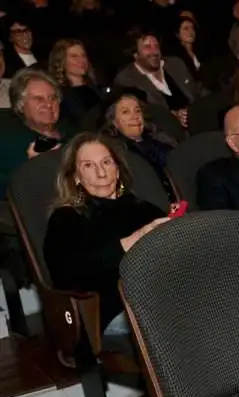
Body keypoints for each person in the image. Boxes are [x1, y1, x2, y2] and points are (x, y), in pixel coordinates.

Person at [43, 133, 169, 335]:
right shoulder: (66, 218)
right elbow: (63, 273)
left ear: (117, 170)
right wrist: (125, 245)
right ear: (76, 177)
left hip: (161, 297)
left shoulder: (143, 208)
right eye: (88, 166)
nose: (101, 173)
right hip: (110, 311)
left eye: (106, 162)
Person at [0, 69, 74, 196]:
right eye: (38, 99)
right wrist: (32, 168)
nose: (49, 104)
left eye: (53, 98)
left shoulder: (73, 132)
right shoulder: (8, 140)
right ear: (20, 105)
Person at [114, 28, 202, 128]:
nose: (155, 52)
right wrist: (173, 116)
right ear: (135, 54)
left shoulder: (175, 64)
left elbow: (197, 90)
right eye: (147, 47)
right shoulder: (127, 79)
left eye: (156, 46)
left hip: (198, 121)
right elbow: (143, 114)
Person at [102, 88, 177, 201]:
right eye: (125, 112)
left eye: (137, 111)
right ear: (114, 122)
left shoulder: (161, 141)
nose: (135, 116)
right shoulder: (117, 156)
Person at [48, 39, 102, 128]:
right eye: (74, 56)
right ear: (61, 61)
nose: (81, 60)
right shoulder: (59, 96)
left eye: (83, 55)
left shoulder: (95, 87)